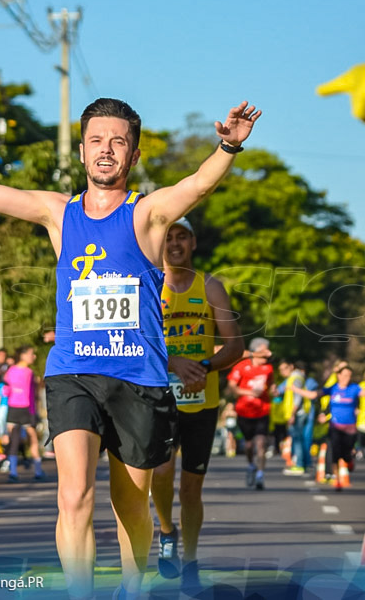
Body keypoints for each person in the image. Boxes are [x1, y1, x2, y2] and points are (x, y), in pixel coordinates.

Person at [0, 87, 260, 598]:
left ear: (133, 154)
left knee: (131, 505)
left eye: (118, 141)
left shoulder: (148, 214)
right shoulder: (57, 212)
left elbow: (196, 185)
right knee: (73, 496)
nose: (106, 149)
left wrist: (228, 148)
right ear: (82, 151)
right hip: (73, 373)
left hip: (139, 378)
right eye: (95, 140)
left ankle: (132, 589)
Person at [151, 217, 243, 587]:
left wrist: (203, 367)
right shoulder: (150, 285)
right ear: (160, 245)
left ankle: (190, 559)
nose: (174, 244)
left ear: (192, 243)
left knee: (191, 487)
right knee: (160, 473)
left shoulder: (210, 286)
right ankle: (166, 531)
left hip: (202, 399)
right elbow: (137, 341)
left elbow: (235, 346)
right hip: (159, 393)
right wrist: (172, 363)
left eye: (181, 238)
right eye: (168, 238)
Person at [293, 363, 365, 491]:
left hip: (350, 429)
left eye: (349, 376)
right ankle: (337, 479)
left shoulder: (354, 388)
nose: (347, 378)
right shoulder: (332, 389)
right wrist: (296, 390)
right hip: (335, 426)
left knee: (346, 454)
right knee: (334, 452)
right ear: (338, 376)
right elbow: (313, 395)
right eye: (344, 375)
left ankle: (349, 461)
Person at [227, 338, 275, 491]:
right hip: (244, 410)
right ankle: (251, 465)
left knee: (261, 443)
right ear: (255, 352)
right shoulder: (241, 367)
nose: (267, 356)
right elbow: (232, 388)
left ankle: (260, 474)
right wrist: (249, 392)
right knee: (248, 444)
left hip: (263, 410)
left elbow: (272, 385)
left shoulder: (268, 369)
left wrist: (274, 390)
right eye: (263, 353)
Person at [3, 345, 46, 482]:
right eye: (31, 354)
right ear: (23, 355)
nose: (33, 357)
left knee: (16, 440)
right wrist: (34, 414)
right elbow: (32, 396)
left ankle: (15, 471)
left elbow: (6, 391)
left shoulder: (10, 371)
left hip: (14, 409)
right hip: (24, 409)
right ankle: (34, 470)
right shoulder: (28, 372)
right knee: (30, 439)